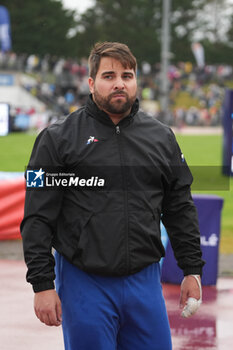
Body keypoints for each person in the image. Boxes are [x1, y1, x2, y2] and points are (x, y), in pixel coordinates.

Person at [21, 42, 205, 350]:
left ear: (136, 82)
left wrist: (192, 271)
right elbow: (38, 217)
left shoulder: (161, 137)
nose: (119, 82)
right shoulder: (57, 138)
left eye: (127, 75)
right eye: (109, 75)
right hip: (84, 282)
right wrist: (42, 284)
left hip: (144, 281)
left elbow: (180, 208)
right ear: (91, 83)